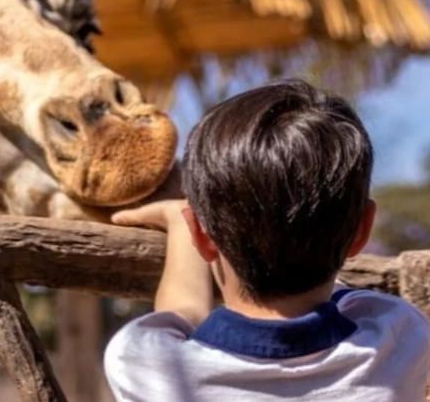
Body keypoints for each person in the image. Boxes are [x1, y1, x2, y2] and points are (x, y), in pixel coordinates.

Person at [105, 79, 430, 401]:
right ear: (362, 231)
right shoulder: (400, 337)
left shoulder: (141, 363)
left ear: (200, 236)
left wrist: (180, 224)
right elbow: (337, 295)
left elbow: (183, 314)